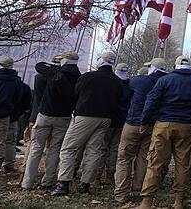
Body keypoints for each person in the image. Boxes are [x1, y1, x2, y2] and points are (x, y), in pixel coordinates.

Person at [51, 51, 124, 196]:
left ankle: (63, 184)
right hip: (106, 119)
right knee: (94, 151)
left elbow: (75, 93)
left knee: (68, 148)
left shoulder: (88, 76)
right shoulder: (117, 81)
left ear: (101, 61)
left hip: (85, 116)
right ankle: (85, 185)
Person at [137, 55, 191, 209]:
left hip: (164, 124)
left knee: (155, 162)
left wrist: (144, 121)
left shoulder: (165, 80)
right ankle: (179, 200)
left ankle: (146, 201)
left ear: (176, 65)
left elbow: (152, 100)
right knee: (183, 164)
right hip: (186, 126)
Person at [22, 52, 81, 190]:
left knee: (36, 149)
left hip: (45, 115)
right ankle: (48, 181)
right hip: (64, 117)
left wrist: (56, 67)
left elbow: (39, 65)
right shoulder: (78, 77)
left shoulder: (51, 74)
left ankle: (27, 182)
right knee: (55, 150)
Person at [113, 58, 167, 203]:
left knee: (124, 158)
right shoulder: (168, 82)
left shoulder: (139, 81)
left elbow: (125, 97)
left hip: (133, 123)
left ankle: (121, 193)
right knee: (143, 158)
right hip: (153, 125)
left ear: (152, 68)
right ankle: (137, 191)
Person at [99, 63, 131, 183]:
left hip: (108, 118)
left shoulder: (110, 82)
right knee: (114, 148)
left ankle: (97, 175)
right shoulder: (129, 85)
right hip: (122, 120)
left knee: (102, 148)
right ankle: (110, 174)